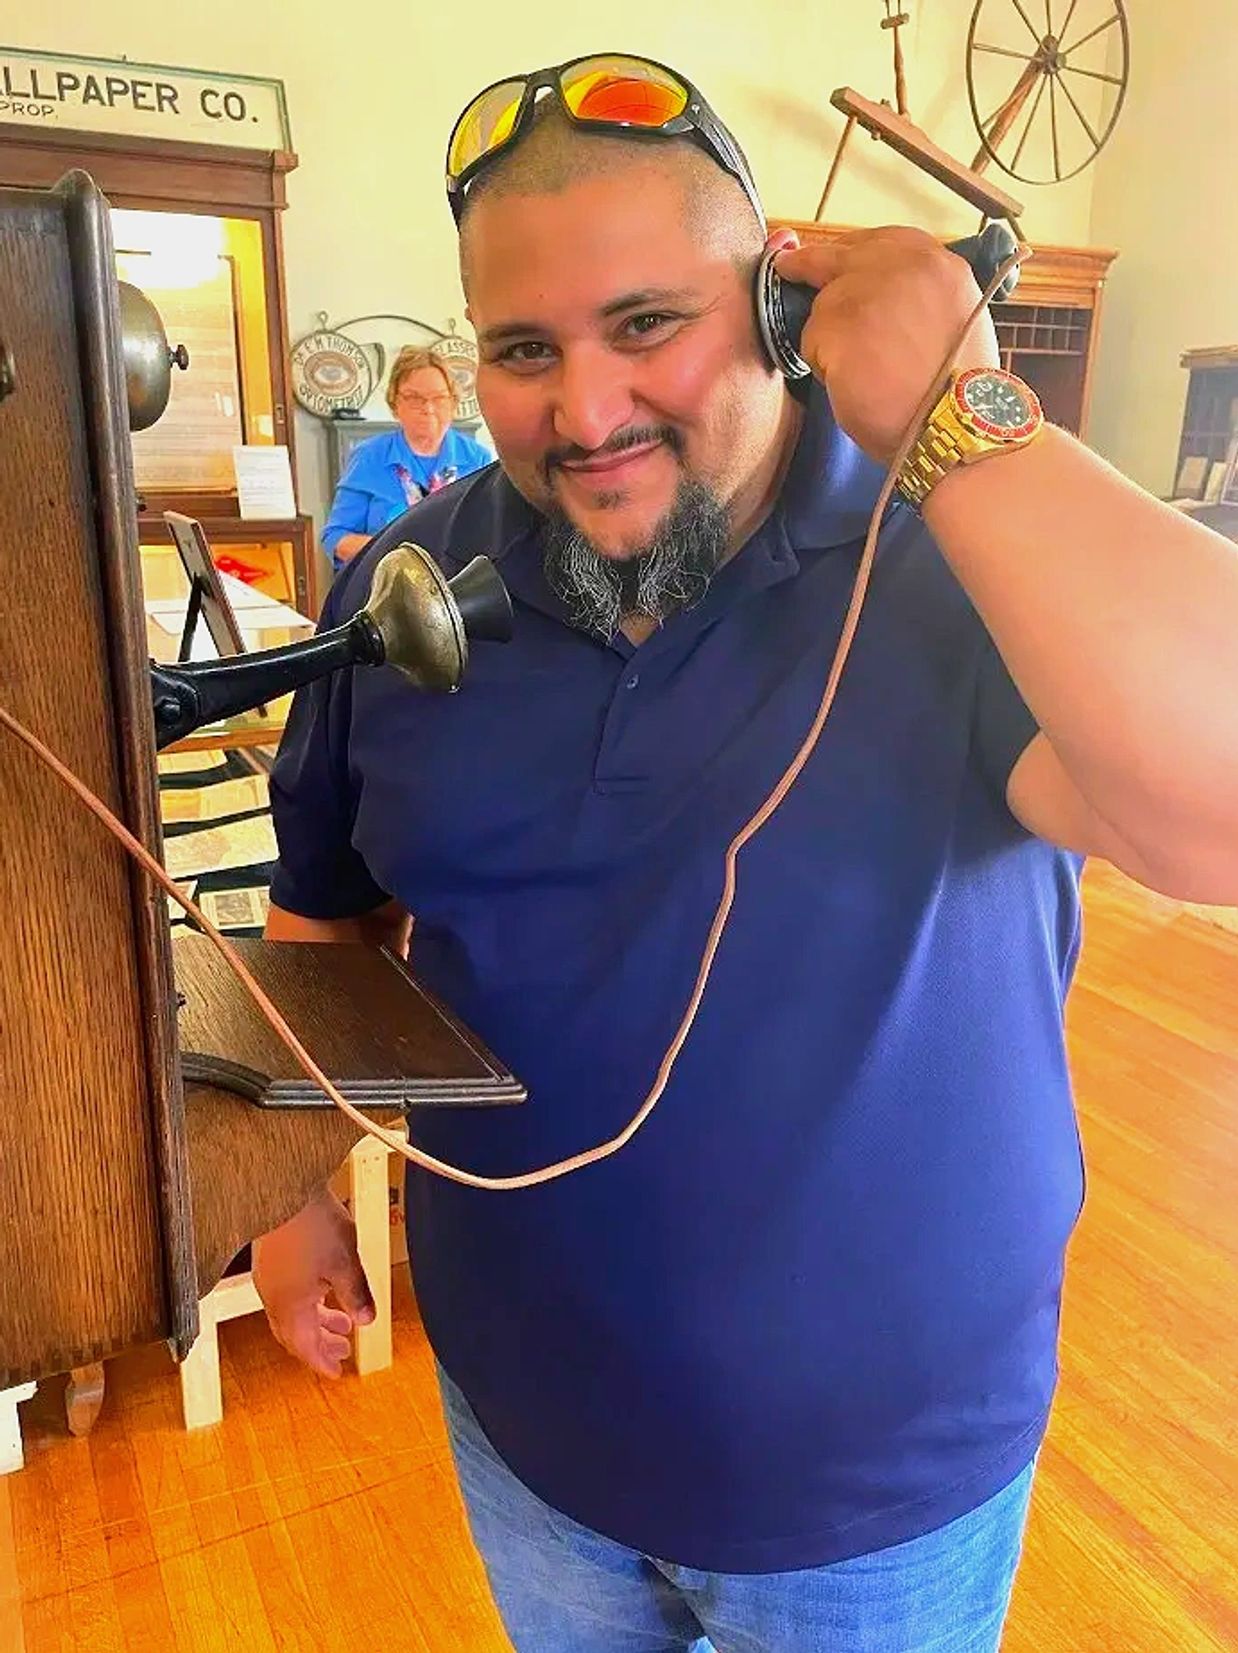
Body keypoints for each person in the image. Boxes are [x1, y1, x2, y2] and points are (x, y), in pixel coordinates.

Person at [256, 53, 1238, 1653]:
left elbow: (1218, 816)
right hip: (525, 1428)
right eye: (523, 349)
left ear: (782, 306)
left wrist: (964, 419)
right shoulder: (409, 588)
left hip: (877, 1490)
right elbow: (324, 918)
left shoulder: (952, 548)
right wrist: (291, 1196)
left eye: (647, 323)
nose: (585, 413)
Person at [320, 345, 491, 569]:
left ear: (453, 403)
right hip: (384, 582)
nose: (428, 408)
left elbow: (490, 537)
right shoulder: (369, 457)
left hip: (458, 584)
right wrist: (394, 556)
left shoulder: (478, 459)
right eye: (414, 398)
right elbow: (335, 538)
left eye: (439, 397)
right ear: (395, 403)